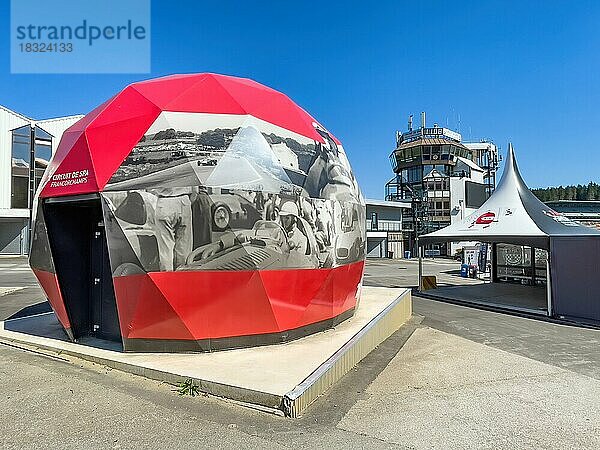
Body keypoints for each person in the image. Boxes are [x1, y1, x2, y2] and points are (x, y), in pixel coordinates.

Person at [150, 186, 196, 271]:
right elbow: (195, 191)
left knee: (165, 248)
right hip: (183, 200)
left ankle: (167, 278)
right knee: (184, 247)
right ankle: (182, 276)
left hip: (164, 201)